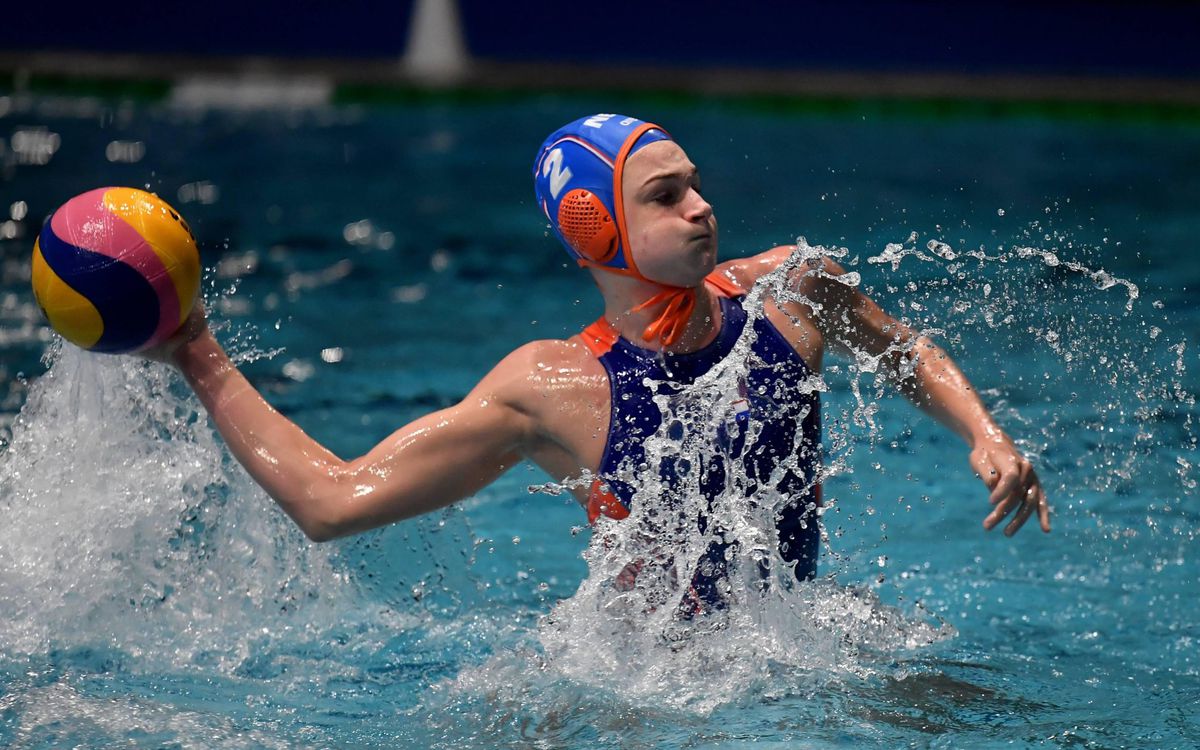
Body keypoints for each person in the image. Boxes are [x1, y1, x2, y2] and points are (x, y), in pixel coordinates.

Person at [149, 113, 1049, 608]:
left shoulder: (790, 292)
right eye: (667, 195)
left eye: (695, 184)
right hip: (648, 689)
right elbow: (332, 503)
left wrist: (984, 432)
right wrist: (197, 352)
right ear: (594, 227)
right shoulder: (554, 389)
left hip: (797, 645)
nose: (701, 207)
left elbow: (904, 352)